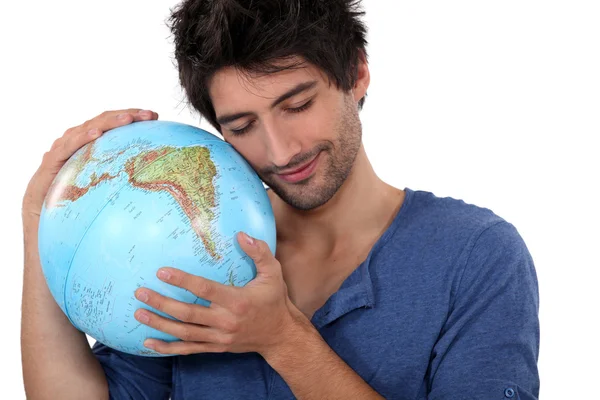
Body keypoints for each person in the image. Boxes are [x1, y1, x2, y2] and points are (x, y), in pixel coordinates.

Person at [20, 0, 540, 399]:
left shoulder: (477, 256)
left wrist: (283, 341)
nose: (279, 151)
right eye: (242, 126)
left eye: (297, 105)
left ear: (356, 73)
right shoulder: (190, 242)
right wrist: (38, 220)